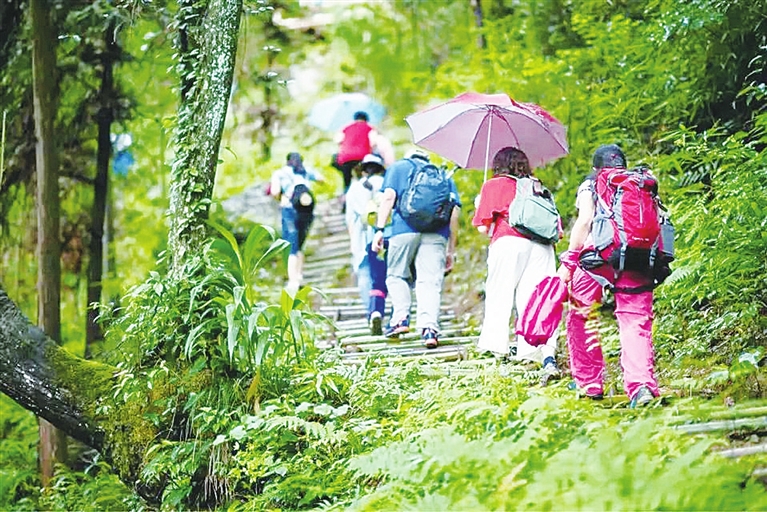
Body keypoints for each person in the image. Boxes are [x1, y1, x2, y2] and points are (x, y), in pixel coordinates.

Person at [557, 144, 659, 407]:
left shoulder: (591, 184)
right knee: (635, 320)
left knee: (582, 313)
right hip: (636, 255)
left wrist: (569, 261)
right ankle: (641, 386)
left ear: (596, 168)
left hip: (596, 257)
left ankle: (589, 382)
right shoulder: (640, 182)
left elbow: (585, 221)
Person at [472, 147, 561, 384]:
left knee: (499, 294)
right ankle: (533, 351)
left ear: (497, 165)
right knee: (535, 301)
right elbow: (557, 226)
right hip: (541, 246)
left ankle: (496, 347)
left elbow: (483, 228)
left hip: (508, 242)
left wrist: (479, 204)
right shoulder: (536, 186)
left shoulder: (493, 185)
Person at [371, 150, 461, 348]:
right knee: (429, 282)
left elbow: (389, 197)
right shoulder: (442, 175)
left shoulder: (398, 168)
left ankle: (400, 319)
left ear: (409, 157)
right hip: (437, 234)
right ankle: (429, 329)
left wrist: (379, 229)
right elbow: (454, 214)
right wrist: (451, 249)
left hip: (403, 230)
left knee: (396, 275)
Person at [344, 154, 389, 335]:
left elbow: (350, 218)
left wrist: (352, 242)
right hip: (385, 234)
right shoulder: (386, 184)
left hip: (362, 236)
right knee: (387, 274)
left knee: (364, 274)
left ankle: (371, 311)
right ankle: (386, 310)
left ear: (363, 170)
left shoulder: (355, 188)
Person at [269, 152, 323, 293]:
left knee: (291, 244)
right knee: (300, 244)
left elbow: (275, 191)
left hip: (289, 209)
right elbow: (321, 179)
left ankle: (293, 281)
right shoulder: (306, 170)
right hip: (306, 210)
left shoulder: (280, 173)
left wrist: (281, 197)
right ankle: (299, 276)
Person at [334, 111, 380, 204]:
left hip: (346, 157)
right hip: (362, 157)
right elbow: (374, 143)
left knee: (347, 181)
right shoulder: (370, 128)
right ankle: (366, 199)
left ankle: (345, 201)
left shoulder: (346, 127)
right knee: (363, 179)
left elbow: (338, 140)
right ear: (366, 119)